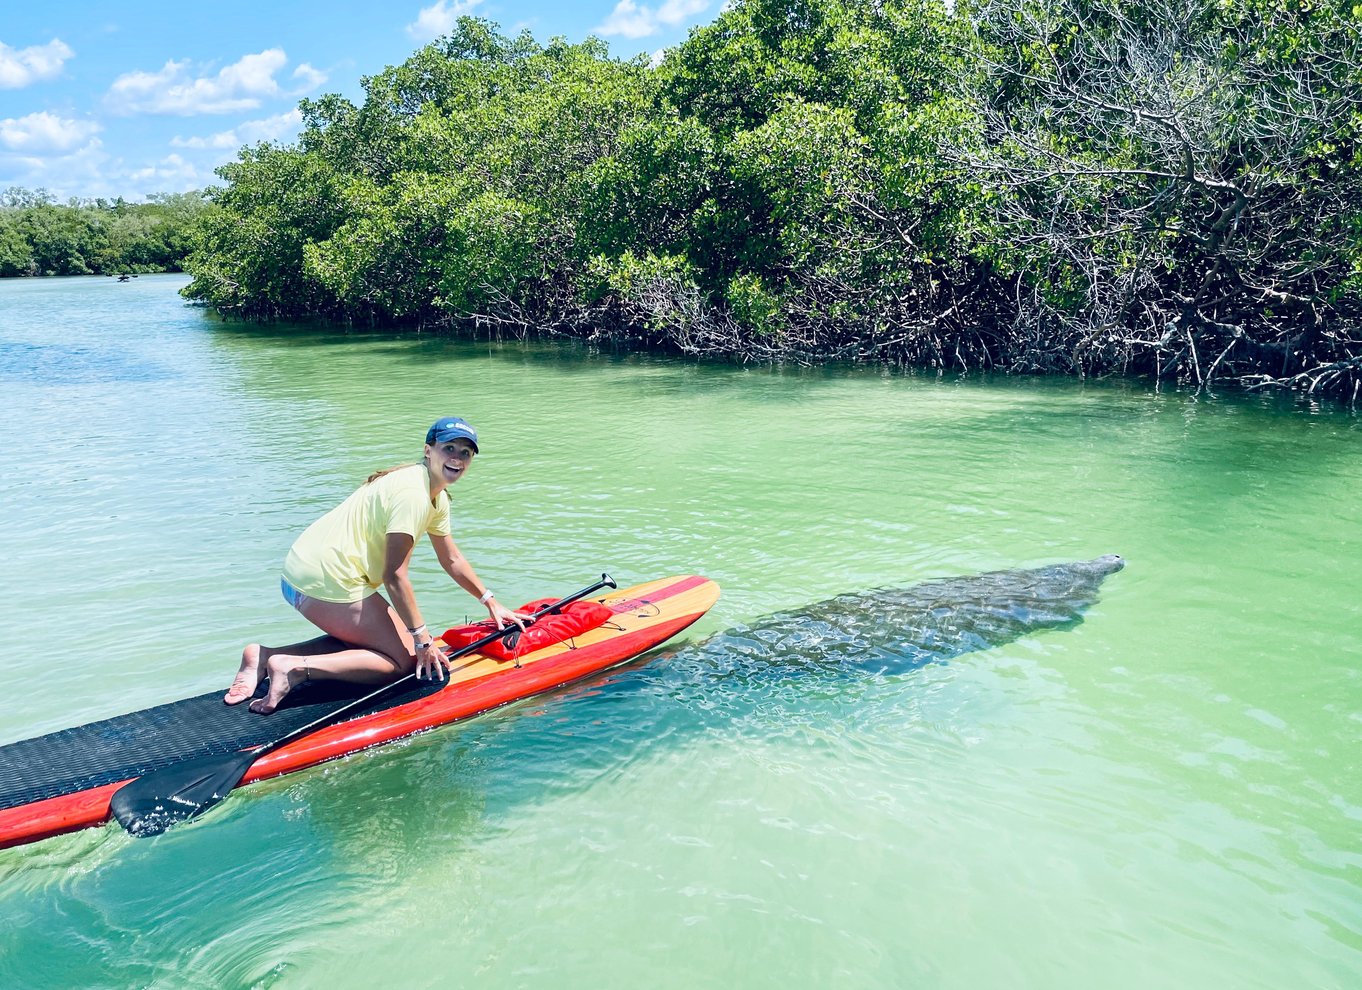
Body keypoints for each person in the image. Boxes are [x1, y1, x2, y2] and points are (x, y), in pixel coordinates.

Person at [224, 416, 529, 715]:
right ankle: (293, 668)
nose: (458, 459)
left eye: (466, 453)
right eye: (449, 449)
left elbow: (451, 558)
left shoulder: (433, 494)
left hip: (302, 573)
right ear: (428, 450)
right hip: (327, 580)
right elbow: (394, 576)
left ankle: (266, 657)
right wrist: (422, 639)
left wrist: (491, 602)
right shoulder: (414, 496)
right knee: (403, 661)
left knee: (379, 643)